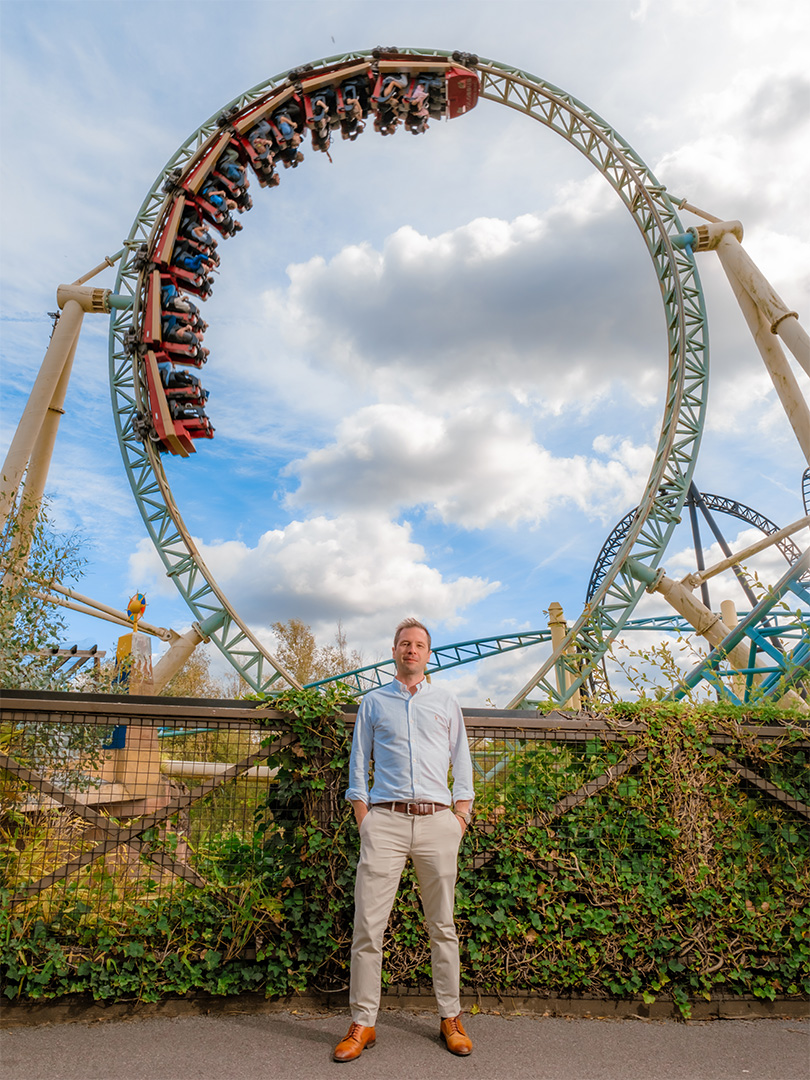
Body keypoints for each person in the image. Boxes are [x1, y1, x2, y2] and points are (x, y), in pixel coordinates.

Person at [333, 618, 474, 1063]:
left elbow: (462, 762)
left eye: (419, 645)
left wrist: (461, 816)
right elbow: (359, 765)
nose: (411, 650)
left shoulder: (446, 702)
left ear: (428, 654)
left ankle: (450, 1017)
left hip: (437, 823)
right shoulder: (373, 703)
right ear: (394, 651)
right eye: (404, 644)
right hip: (386, 822)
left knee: (443, 927)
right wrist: (365, 819)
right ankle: (363, 1022)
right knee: (368, 928)